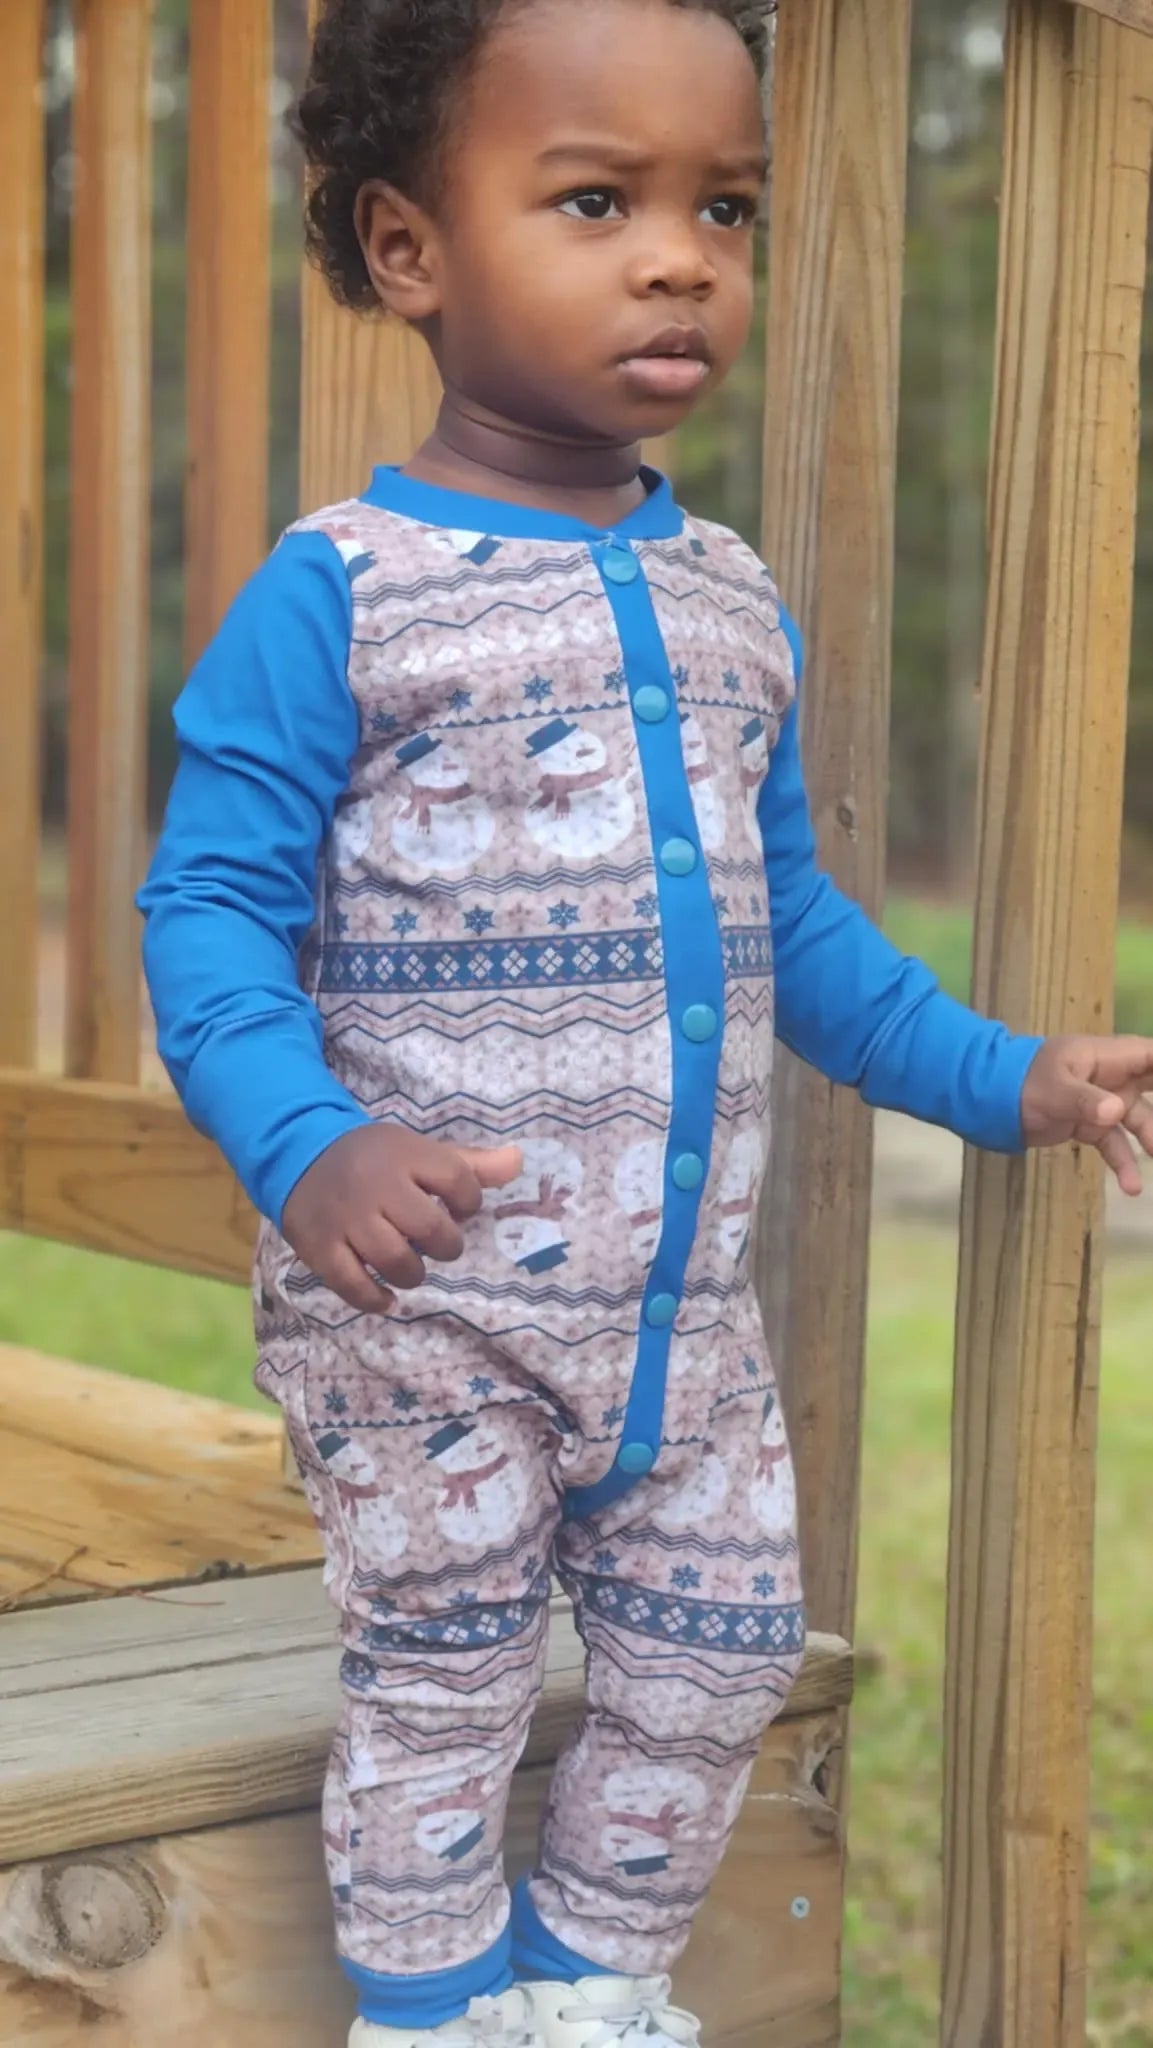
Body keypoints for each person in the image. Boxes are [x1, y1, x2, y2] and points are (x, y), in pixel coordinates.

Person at [139, 2, 1153, 2044]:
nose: (680, 254)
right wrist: (306, 1140)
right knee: (445, 1667)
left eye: (725, 207)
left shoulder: (725, 603)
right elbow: (207, 907)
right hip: (424, 1302)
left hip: (679, 1321)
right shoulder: (344, 593)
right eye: (596, 200)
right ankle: (429, 2014)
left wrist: (1010, 1071)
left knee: (719, 1649)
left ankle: (585, 1992)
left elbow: (802, 937)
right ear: (410, 250)